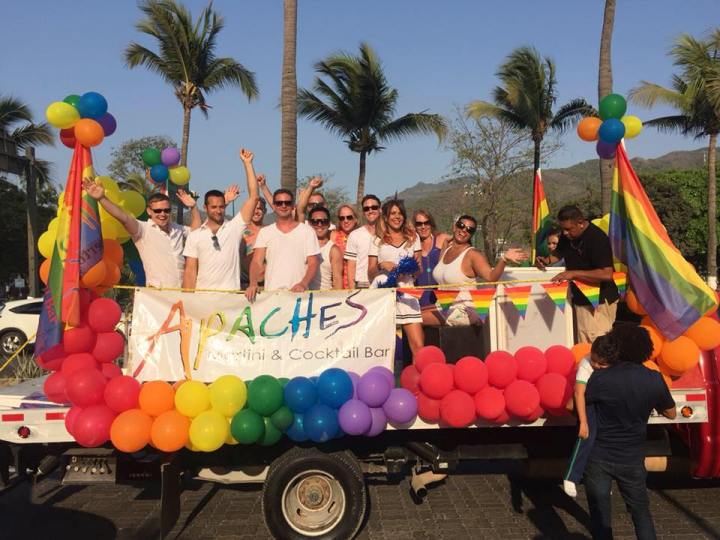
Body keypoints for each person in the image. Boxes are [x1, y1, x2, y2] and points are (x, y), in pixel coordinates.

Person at [583, 324, 676, 540]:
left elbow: (573, 406)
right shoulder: (653, 379)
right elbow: (671, 413)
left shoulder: (600, 378)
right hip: (632, 457)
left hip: (599, 456)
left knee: (600, 518)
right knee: (640, 513)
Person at [83, 176, 203, 288]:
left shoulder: (177, 229)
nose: (162, 214)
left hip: (181, 292)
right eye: (158, 211)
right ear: (149, 211)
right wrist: (102, 198)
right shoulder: (143, 229)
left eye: (166, 210)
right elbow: (122, 216)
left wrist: (193, 208)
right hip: (157, 296)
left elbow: (196, 234)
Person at [423, 215, 528, 326]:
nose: (464, 230)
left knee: (413, 319)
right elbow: (441, 272)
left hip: (463, 310)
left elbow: (491, 277)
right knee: (411, 314)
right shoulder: (447, 249)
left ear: (472, 234)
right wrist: (445, 243)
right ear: (454, 227)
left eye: (469, 229)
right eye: (461, 226)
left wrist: (504, 259)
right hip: (443, 306)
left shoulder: (473, 255)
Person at [182, 149, 259, 290]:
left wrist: (248, 164)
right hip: (203, 299)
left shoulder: (234, 227)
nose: (218, 210)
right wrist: (188, 301)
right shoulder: (195, 236)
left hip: (229, 300)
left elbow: (254, 197)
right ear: (205, 208)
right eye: (214, 207)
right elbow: (190, 271)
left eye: (222, 207)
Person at [543, 206, 619, 343]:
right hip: (581, 298)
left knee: (599, 343)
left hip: (601, 300)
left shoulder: (598, 238)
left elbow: (606, 274)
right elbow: (558, 254)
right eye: (563, 229)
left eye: (568, 229)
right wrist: (545, 261)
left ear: (581, 223)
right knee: (584, 341)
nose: (565, 233)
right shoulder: (568, 237)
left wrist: (573, 273)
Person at [563, 333, 619, 498]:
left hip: (607, 401)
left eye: (601, 364)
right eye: (593, 360)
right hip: (589, 401)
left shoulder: (617, 367)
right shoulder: (585, 364)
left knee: (607, 441)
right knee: (587, 435)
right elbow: (579, 394)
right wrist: (583, 422)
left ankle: (602, 481)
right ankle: (571, 476)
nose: (595, 365)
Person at [368, 200, 424, 356]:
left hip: (407, 294)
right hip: (383, 294)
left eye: (400, 213)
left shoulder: (414, 238)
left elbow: (418, 272)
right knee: (381, 347)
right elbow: (370, 272)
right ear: (385, 217)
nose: (397, 216)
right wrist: (381, 265)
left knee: (418, 345)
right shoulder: (377, 240)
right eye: (393, 213)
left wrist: (412, 268)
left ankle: (418, 380)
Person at [245, 189, 320, 301]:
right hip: (271, 295)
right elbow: (256, 261)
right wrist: (253, 283)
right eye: (279, 203)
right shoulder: (265, 232)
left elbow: (313, 262)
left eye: (287, 202)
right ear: (274, 206)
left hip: (299, 295)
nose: (283, 205)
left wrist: (303, 284)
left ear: (293, 205)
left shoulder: (307, 231)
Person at [414, 210, 450, 308]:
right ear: (415, 226)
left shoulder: (442, 239)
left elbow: (462, 241)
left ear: (431, 224)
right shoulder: (411, 245)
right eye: (419, 224)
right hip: (418, 300)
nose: (423, 227)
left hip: (440, 299)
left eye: (426, 223)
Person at [345, 194, 381, 288]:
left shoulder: (388, 234)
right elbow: (351, 266)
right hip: (362, 284)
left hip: (384, 284)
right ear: (363, 212)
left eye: (374, 207)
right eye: (366, 208)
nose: (370, 211)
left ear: (380, 209)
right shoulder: (354, 235)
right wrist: (352, 291)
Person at [240, 178, 268, 288]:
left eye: (260, 208)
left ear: (265, 211)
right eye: (254, 209)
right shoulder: (241, 232)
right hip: (245, 284)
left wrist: (264, 187)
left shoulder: (270, 231)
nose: (256, 211)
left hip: (267, 284)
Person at [308, 206, 343, 290]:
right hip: (303, 299)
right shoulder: (303, 246)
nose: (319, 225)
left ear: (329, 224)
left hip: (325, 298)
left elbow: (337, 281)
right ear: (309, 223)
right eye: (315, 221)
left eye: (324, 221)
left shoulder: (333, 250)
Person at [332, 204, 359, 288]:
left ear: (355, 219)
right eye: (342, 218)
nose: (345, 220)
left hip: (356, 286)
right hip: (337, 288)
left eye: (349, 217)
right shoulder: (333, 235)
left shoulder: (361, 235)